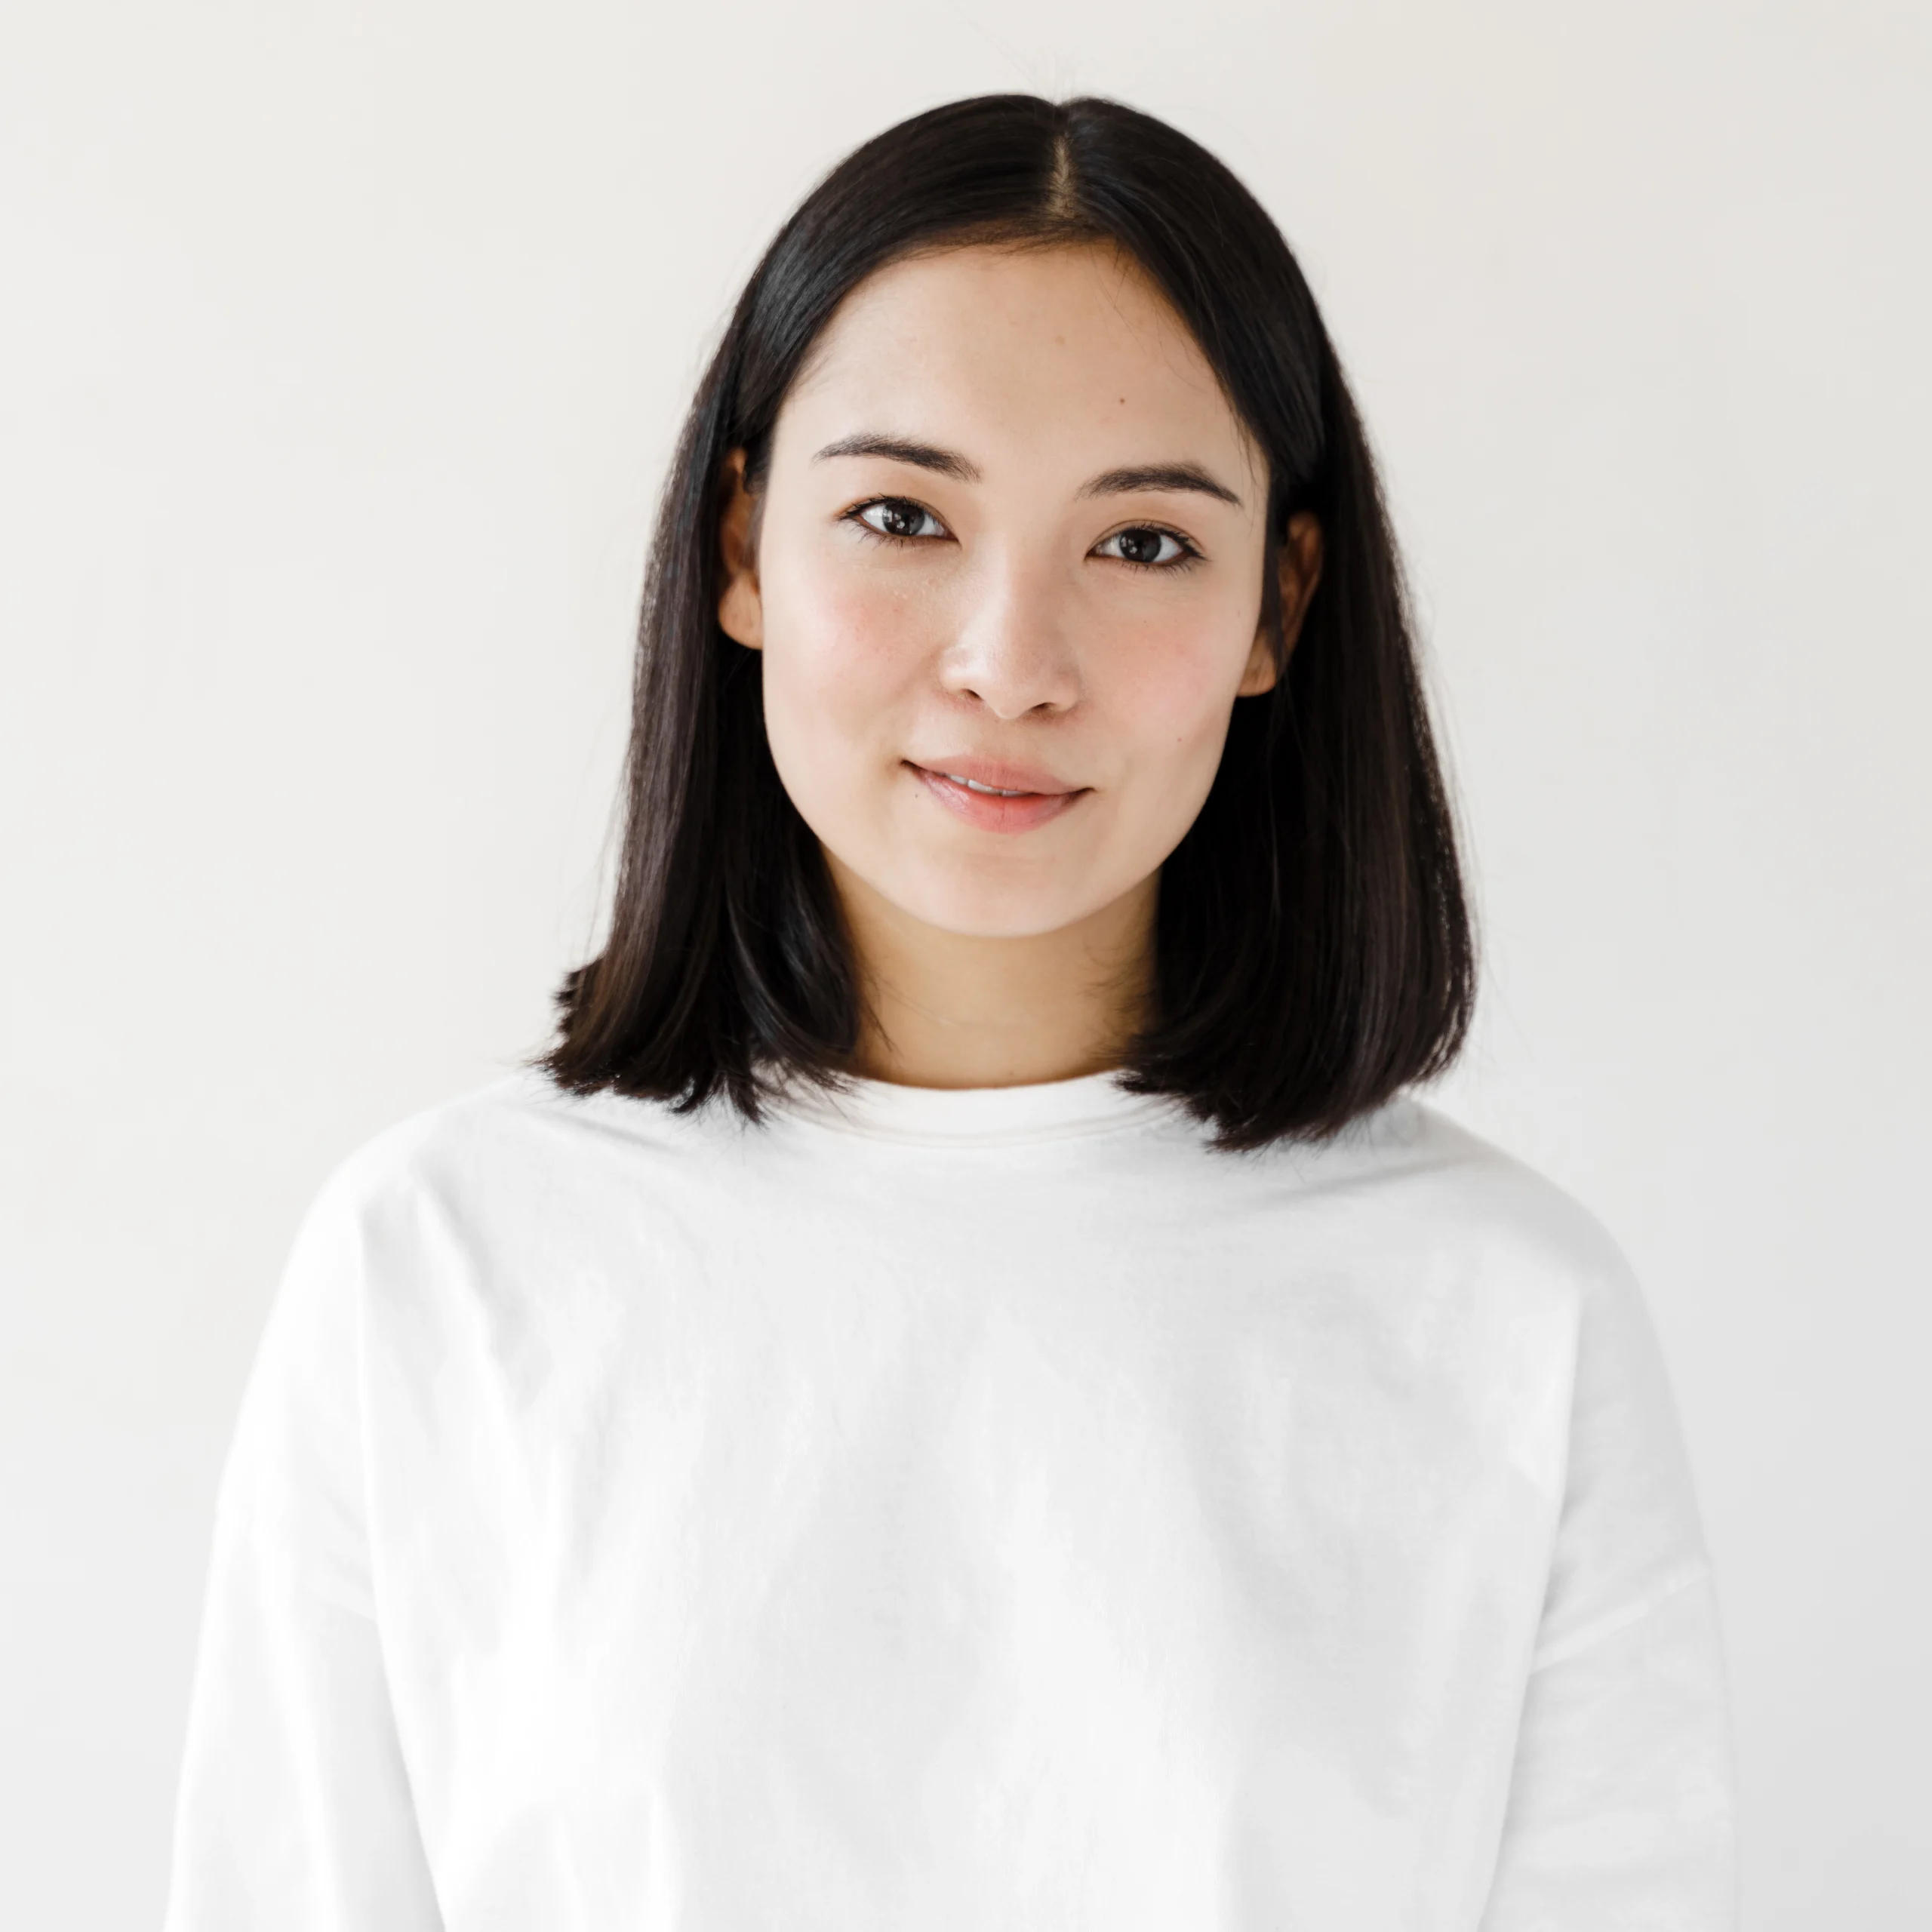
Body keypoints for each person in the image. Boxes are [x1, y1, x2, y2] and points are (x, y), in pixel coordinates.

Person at [163, 94, 1736, 1930]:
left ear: (1277, 604)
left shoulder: (1507, 1315)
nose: (1008, 662)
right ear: (743, 546)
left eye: (1140, 543)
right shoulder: (441, 1264)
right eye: (901, 516)